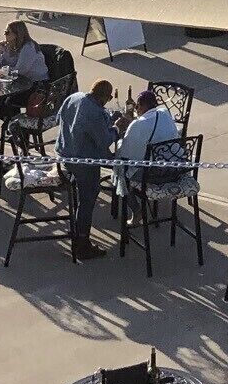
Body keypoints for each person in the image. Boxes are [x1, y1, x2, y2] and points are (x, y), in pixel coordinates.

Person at [57, 80, 117, 260]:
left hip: (64, 156)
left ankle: (79, 237)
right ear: (105, 97)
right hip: (84, 162)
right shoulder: (95, 112)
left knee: (84, 198)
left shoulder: (73, 98)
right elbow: (105, 140)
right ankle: (82, 243)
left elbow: (62, 117)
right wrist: (117, 129)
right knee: (87, 199)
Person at [114, 90, 182, 198]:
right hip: (175, 169)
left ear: (142, 105)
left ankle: (137, 211)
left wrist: (121, 135)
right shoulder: (165, 113)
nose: (136, 109)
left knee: (122, 170)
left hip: (155, 175)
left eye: (137, 106)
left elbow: (125, 154)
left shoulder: (137, 124)